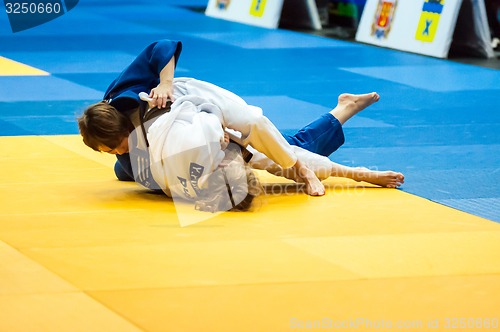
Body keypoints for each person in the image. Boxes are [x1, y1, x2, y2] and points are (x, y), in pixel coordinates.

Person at [79, 39, 335, 196]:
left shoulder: (124, 94)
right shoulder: (129, 154)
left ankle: (302, 169)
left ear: (122, 128)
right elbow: (166, 184)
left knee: (254, 125)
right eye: (109, 151)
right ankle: (339, 116)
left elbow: (162, 45)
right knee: (128, 171)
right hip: (191, 127)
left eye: (114, 147)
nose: (116, 151)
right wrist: (216, 137)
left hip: (192, 95)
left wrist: (164, 83)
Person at [140, 88, 404, 212]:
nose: (240, 162)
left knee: (283, 149)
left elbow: (272, 147)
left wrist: (357, 174)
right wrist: (357, 174)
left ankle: (344, 109)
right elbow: (276, 159)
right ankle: (343, 109)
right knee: (291, 151)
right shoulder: (181, 182)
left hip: (194, 99)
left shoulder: (208, 135)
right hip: (163, 129)